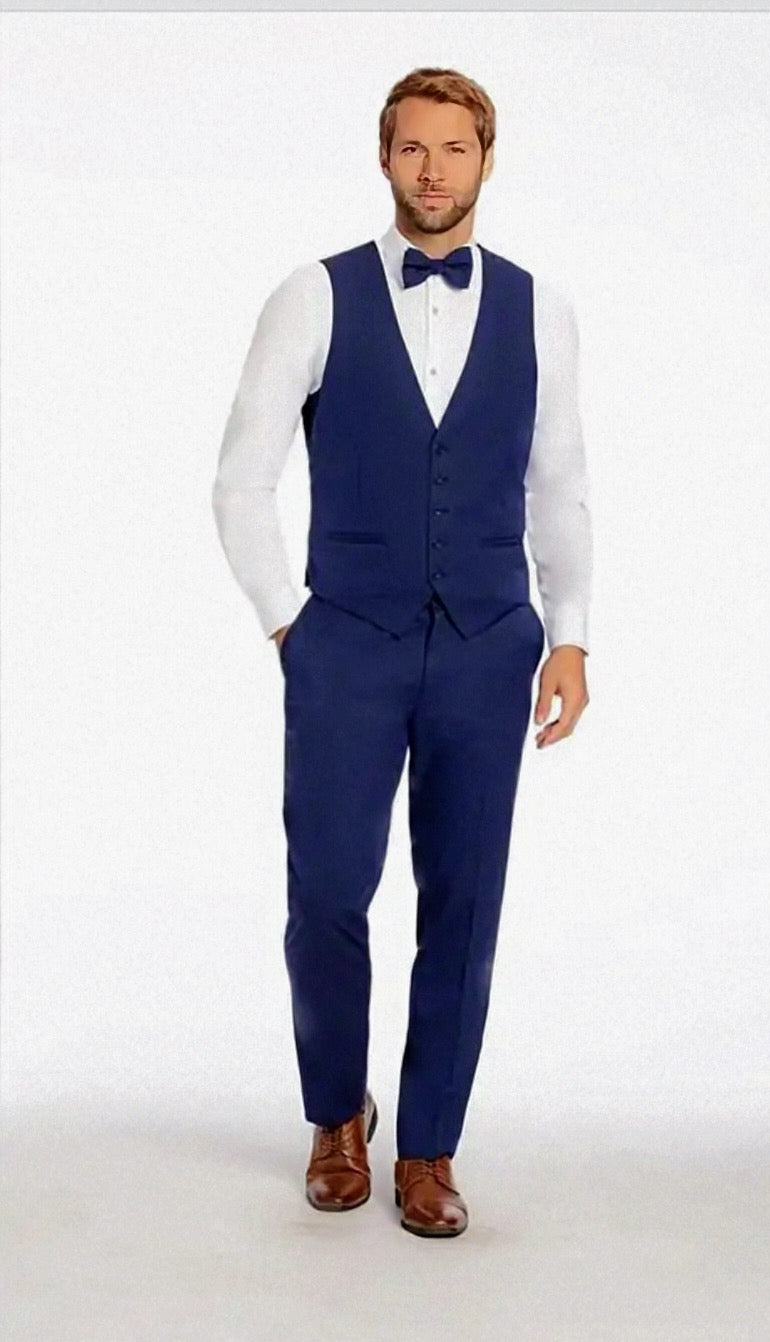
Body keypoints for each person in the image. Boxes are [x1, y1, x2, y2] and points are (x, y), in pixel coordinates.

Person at [212, 66, 592, 1238]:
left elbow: (559, 484)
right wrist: (290, 623)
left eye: (454, 148)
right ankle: (338, 1115)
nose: (433, 170)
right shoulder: (312, 296)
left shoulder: (539, 308)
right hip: (347, 644)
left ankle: (428, 1147)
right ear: (383, 158)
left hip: (487, 645)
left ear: (486, 160)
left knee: (463, 903)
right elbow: (240, 480)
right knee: (327, 891)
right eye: (412, 148)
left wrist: (569, 635)